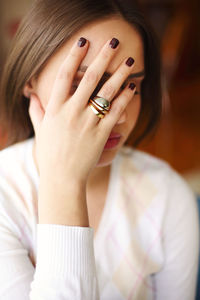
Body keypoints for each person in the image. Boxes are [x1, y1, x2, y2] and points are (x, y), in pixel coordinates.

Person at [0, 0, 199, 299]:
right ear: (30, 82)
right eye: (82, 84)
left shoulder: (169, 197)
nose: (115, 115)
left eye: (130, 86)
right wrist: (65, 182)